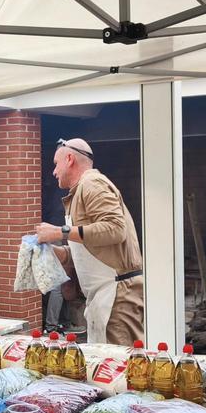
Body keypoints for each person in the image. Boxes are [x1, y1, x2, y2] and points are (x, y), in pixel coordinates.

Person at [35, 138, 145, 347]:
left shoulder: (92, 183)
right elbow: (91, 246)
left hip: (117, 296)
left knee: (119, 369)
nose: (54, 171)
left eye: (56, 164)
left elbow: (115, 229)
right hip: (103, 297)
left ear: (70, 159)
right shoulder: (79, 191)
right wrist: (59, 252)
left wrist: (60, 231)